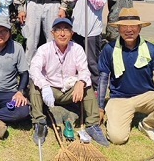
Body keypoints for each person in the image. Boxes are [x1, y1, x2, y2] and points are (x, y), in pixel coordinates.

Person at [98, 7, 154, 145]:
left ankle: (148, 124)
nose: (129, 30)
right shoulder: (109, 49)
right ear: (118, 28)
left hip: (146, 96)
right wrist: (100, 107)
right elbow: (103, 79)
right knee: (117, 138)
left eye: (133, 26)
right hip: (120, 98)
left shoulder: (151, 49)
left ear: (140, 28)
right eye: (124, 26)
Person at [29, 18, 109, 147]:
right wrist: (44, 86)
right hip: (51, 90)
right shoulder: (44, 49)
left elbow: (84, 70)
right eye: (58, 30)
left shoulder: (77, 49)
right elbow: (34, 68)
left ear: (72, 33)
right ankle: (39, 123)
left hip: (70, 91)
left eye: (66, 30)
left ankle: (92, 125)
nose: (62, 34)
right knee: (34, 84)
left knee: (87, 85)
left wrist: (81, 82)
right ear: (52, 33)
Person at [71, 0, 109, 90]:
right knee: (76, 60)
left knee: (92, 62)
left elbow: (99, 4)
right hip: (77, 28)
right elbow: (71, 0)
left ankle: (95, 91)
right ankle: (78, 86)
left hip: (91, 29)